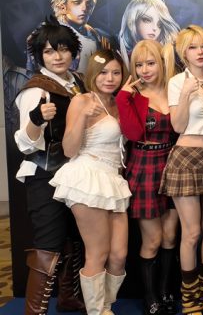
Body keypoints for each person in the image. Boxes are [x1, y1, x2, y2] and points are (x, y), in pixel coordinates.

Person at [49, 49, 131, 315]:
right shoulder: (82, 100)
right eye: (104, 72)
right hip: (87, 176)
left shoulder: (118, 102)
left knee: (118, 255)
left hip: (113, 180)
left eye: (116, 72)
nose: (110, 78)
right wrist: (84, 116)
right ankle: (97, 311)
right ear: (93, 73)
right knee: (98, 252)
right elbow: (69, 149)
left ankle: (104, 306)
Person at [14, 17, 86, 314]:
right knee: (48, 243)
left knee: (73, 238)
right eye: (48, 51)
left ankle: (68, 297)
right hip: (44, 175)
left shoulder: (78, 82)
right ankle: (34, 311)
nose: (57, 56)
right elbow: (25, 144)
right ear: (39, 56)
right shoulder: (35, 90)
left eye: (63, 49)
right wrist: (35, 119)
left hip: (76, 173)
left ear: (73, 51)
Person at [159, 25, 203, 315]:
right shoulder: (177, 82)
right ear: (183, 53)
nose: (199, 52)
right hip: (186, 158)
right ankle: (190, 299)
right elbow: (178, 126)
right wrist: (186, 93)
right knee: (192, 233)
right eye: (193, 47)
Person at [115, 39, 180, 315]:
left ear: (161, 64)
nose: (144, 70)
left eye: (150, 63)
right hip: (144, 166)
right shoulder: (133, 96)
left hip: (173, 166)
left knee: (170, 237)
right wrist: (122, 99)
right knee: (152, 239)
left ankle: (165, 291)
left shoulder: (173, 88)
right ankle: (150, 297)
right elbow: (131, 134)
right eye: (139, 65)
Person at [26, 0, 113, 74]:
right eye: (77, 2)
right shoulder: (43, 35)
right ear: (62, 6)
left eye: (88, 3)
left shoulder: (95, 35)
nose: (84, 8)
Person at [118, 0, 180, 70]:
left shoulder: (171, 57)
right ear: (132, 21)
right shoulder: (123, 58)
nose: (155, 28)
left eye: (159, 24)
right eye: (147, 20)